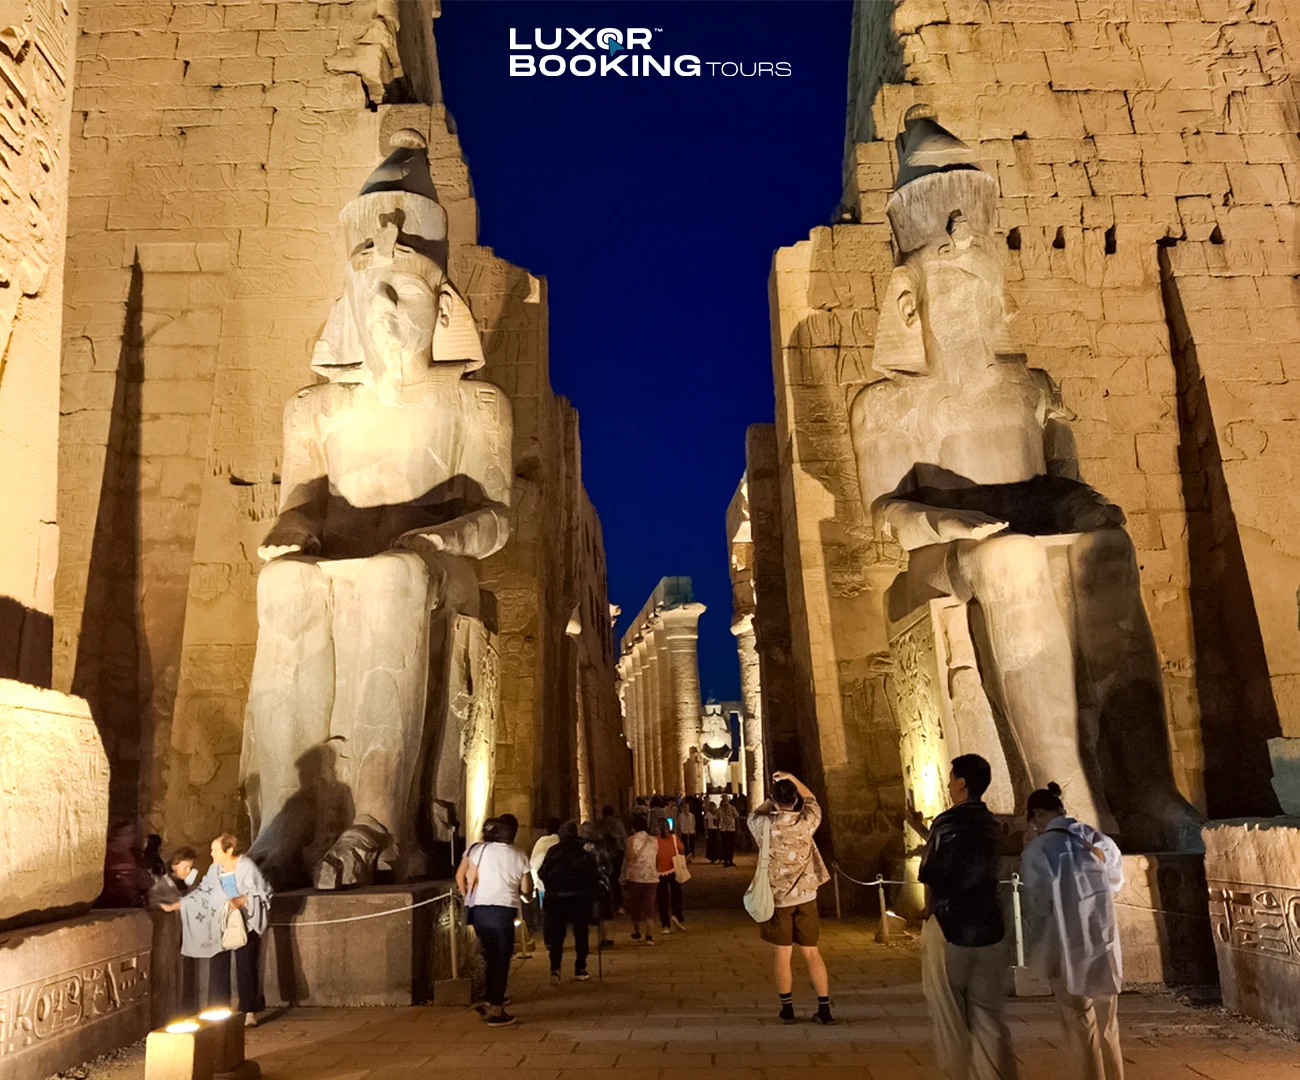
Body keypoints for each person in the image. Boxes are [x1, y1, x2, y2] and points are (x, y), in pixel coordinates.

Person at [909, 754, 1018, 1080]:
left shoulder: (948, 822)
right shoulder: (992, 825)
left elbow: (931, 872)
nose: (947, 783)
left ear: (961, 783)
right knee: (990, 1018)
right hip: (989, 926)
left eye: (951, 777)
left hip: (949, 925)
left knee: (951, 1021)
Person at [1021, 783, 1125, 1080]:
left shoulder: (1039, 849)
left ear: (1038, 814)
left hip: (1065, 945)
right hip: (1103, 942)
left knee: (1079, 1023)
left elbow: (1037, 904)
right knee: (1108, 1025)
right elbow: (1116, 881)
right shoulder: (1096, 839)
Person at [749, 771, 833, 1024]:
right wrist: (793, 779)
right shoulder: (807, 822)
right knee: (812, 954)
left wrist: (771, 799)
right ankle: (825, 1009)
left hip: (778, 899)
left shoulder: (764, 826)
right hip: (806, 896)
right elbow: (813, 799)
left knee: (782, 955)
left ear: (774, 801)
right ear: (795, 799)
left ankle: (787, 1008)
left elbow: (756, 813)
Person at [164, 833, 272, 1026]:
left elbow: (262, 891)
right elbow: (204, 890)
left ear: (228, 850)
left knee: (245, 965)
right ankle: (219, 1007)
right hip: (220, 921)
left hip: (244, 922)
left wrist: (239, 901)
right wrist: (181, 904)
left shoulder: (246, 866)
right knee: (218, 963)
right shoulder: (214, 869)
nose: (211, 853)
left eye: (214, 849)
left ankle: (249, 1010)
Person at [457, 816, 532, 1026]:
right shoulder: (519, 854)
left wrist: (467, 897)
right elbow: (527, 888)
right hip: (502, 909)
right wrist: (526, 895)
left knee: (490, 954)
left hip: (479, 909)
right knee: (501, 958)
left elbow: (462, 875)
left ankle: (489, 999)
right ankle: (496, 1011)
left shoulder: (478, 850)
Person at [538, 821, 600, 982]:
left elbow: (542, 872)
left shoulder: (553, 851)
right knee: (581, 933)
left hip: (556, 898)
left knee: (557, 936)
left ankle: (555, 969)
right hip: (579, 898)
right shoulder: (585, 851)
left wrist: (552, 886)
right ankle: (580, 968)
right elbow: (595, 874)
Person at [621, 812, 659, 945]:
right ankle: (649, 935)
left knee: (635, 906)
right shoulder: (654, 840)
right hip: (651, 877)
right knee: (649, 906)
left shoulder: (631, 840)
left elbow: (629, 859)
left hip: (635, 877)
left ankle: (637, 933)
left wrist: (625, 876)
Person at [99, 821, 151, 908]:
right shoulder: (106, 855)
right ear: (116, 837)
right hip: (112, 904)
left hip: (131, 902)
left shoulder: (131, 853)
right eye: (128, 834)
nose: (133, 837)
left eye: (133, 833)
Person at [655, 818, 687, 934]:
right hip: (674, 869)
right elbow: (682, 849)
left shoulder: (655, 840)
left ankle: (665, 924)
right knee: (676, 893)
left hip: (659, 871)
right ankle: (676, 914)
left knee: (662, 898)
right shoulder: (674, 838)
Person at [599, 805, 628, 913]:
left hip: (605, 855)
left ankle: (608, 904)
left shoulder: (601, 824)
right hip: (617, 854)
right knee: (615, 879)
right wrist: (626, 851)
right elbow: (624, 838)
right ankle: (619, 904)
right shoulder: (617, 823)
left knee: (607, 879)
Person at [717, 795, 738, 867]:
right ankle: (726, 861)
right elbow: (718, 818)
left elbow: (736, 817)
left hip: (731, 829)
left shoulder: (732, 808)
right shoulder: (720, 809)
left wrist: (737, 828)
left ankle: (730, 860)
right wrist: (718, 828)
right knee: (725, 846)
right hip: (723, 829)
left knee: (730, 846)